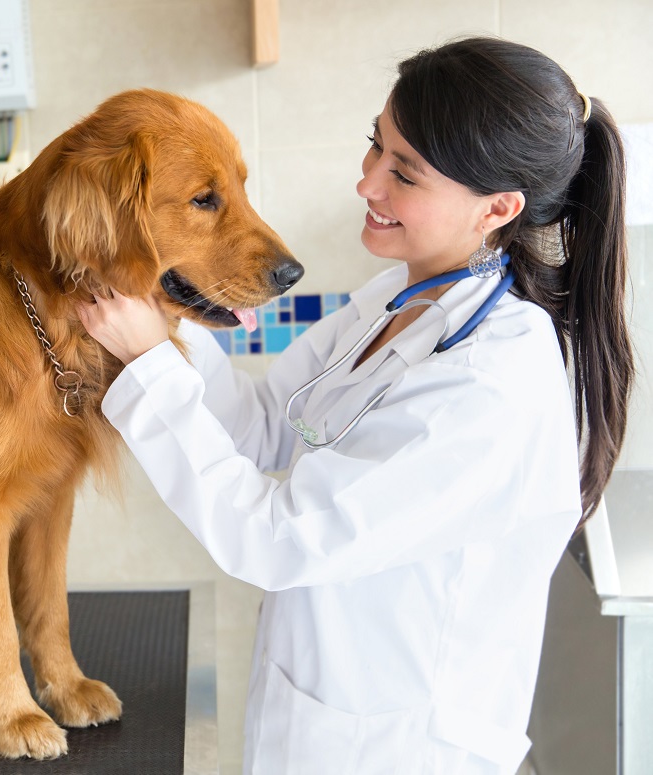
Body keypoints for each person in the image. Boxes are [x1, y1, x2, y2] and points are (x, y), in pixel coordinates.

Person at [78, 37, 633, 774]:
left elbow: (276, 539)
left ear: (498, 207)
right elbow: (267, 427)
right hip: (314, 718)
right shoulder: (399, 299)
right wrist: (165, 317)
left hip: (399, 749)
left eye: (403, 172)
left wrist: (150, 361)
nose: (366, 183)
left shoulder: (491, 383)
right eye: (376, 144)